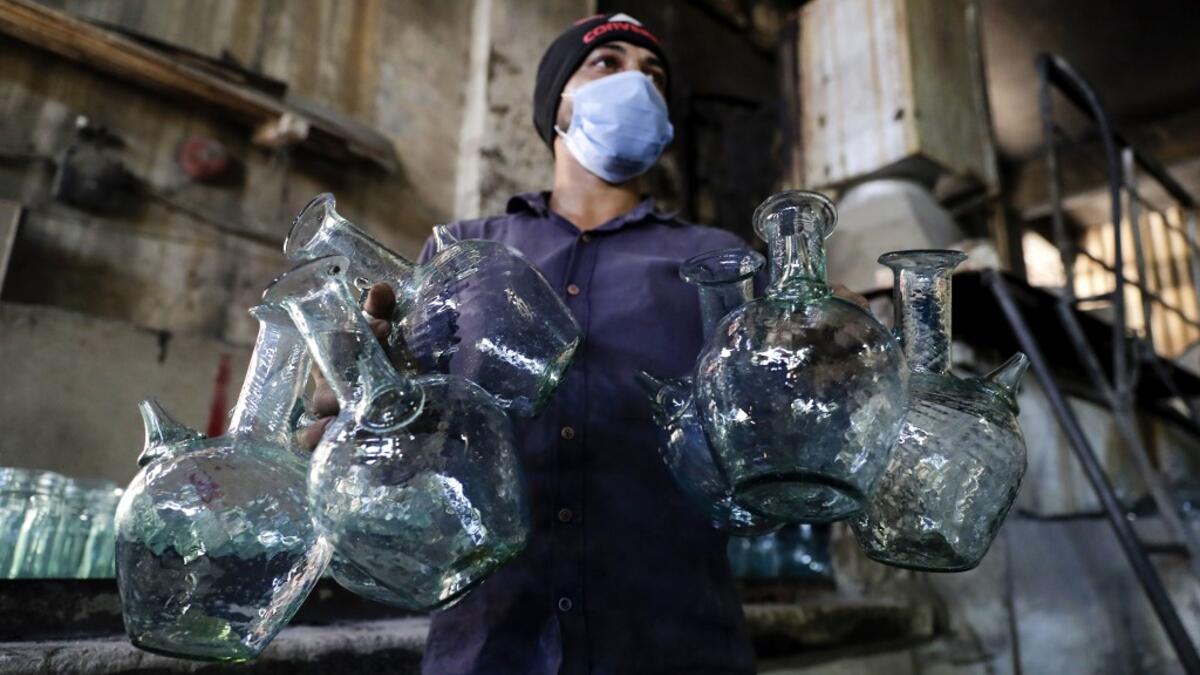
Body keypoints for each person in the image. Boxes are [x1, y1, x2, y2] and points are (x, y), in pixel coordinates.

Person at [302, 13, 858, 674]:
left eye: (655, 75)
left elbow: (775, 420)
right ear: (556, 104)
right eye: (608, 63)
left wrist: (828, 360)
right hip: (491, 641)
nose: (638, 83)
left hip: (673, 637)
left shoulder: (718, 259)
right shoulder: (464, 249)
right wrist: (355, 394)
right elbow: (411, 427)